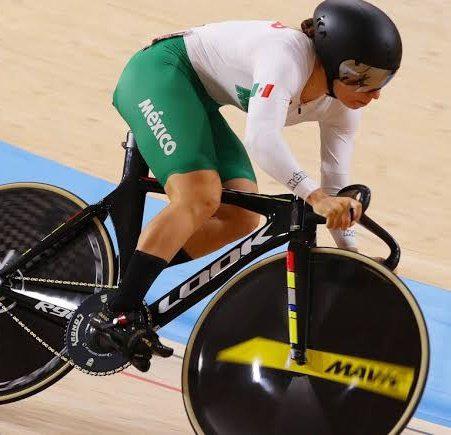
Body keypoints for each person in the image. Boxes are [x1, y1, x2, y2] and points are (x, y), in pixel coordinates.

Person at [92, 0, 402, 371]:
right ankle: (117, 314)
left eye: (384, 80)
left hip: (198, 99)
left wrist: (350, 257)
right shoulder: (286, 56)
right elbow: (261, 139)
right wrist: (313, 195)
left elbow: (336, 189)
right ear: (336, 60)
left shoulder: (343, 106)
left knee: (242, 216)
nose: (376, 92)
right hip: (161, 71)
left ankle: (128, 280)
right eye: (366, 77)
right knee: (200, 195)